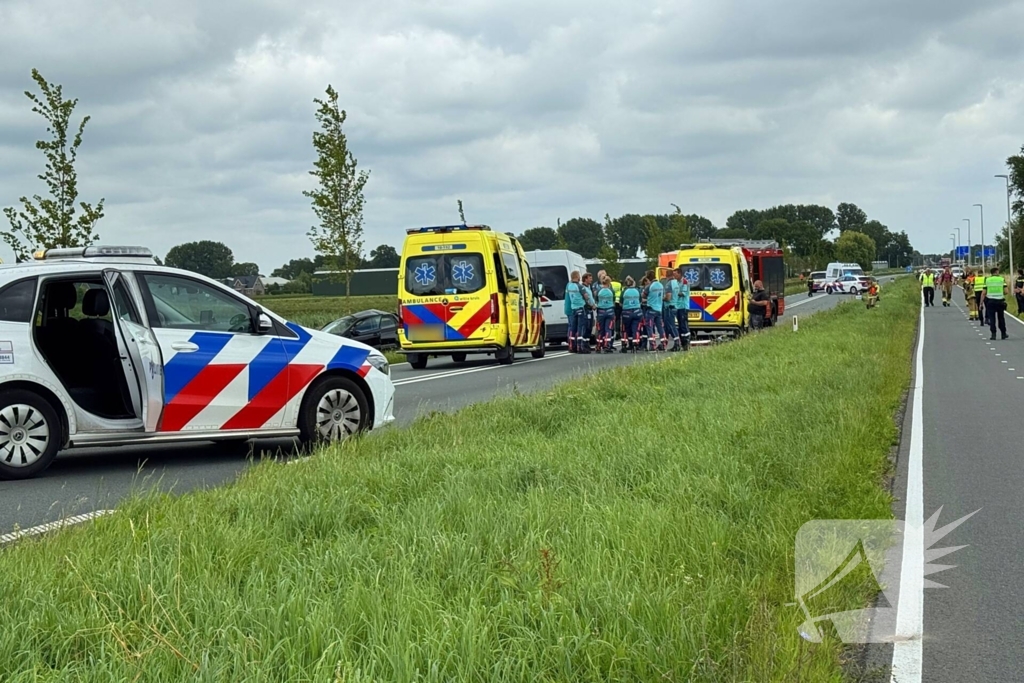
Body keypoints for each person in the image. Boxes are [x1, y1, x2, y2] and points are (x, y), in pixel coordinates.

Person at [980, 266, 1008, 340]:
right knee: (1001, 318)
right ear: (996, 272)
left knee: (992, 319)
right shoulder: (1001, 279)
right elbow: (1006, 291)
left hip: (990, 301)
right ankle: (1003, 333)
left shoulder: (987, 280)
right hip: (1000, 301)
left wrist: (981, 303)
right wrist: (1001, 294)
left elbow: (983, 293)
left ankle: (993, 334)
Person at [564, 271, 586, 352]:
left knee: (572, 328)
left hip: (570, 309)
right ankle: (579, 346)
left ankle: (571, 346)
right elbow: (585, 296)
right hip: (575, 308)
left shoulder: (569, 286)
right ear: (577, 276)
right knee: (579, 327)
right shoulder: (578, 286)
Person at [643, 270, 665, 351]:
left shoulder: (649, 286)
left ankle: (652, 345)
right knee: (660, 328)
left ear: (648, 278)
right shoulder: (661, 285)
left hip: (651, 309)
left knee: (649, 327)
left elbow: (643, 296)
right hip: (659, 309)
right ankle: (664, 344)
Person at [620, 276, 642, 352]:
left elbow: (621, 302)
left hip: (626, 312)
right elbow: (640, 301)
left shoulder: (624, 291)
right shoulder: (637, 291)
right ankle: (635, 344)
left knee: (625, 329)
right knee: (635, 329)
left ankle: (624, 345)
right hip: (637, 312)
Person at [595, 276, 616, 352]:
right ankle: (607, 345)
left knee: (600, 329)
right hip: (610, 311)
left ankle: (598, 346)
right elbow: (613, 300)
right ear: (609, 283)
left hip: (601, 312)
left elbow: (596, 300)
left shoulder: (599, 291)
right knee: (608, 329)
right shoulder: (611, 291)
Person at [661, 273, 680, 351]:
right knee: (668, 326)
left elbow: (668, 297)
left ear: (667, 276)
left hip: (669, 306)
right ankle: (665, 343)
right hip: (675, 305)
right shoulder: (677, 283)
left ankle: (677, 343)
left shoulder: (669, 284)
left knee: (671, 326)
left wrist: (662, 298)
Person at [674, 268, 691, 351]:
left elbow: (683, 293)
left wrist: (673, 292)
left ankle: (686, 342)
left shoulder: (684, 282)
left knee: (684, 325)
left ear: (680, 274)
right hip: (678, 306)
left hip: (683, 306)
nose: (674, 276)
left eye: (676, 274)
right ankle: (683, 342)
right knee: (680, 326)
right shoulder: (676, 282)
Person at [580, 273, 596, 353]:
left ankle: (587, 344)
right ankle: (584, 345)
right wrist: (591, 305)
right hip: (587, 309)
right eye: (590, 278)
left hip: (591, 309)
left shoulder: (588, 287)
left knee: (590, 327)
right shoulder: (583, 288)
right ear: (585, 279)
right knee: (586, 326)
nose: (591, 279)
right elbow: (585, 299)